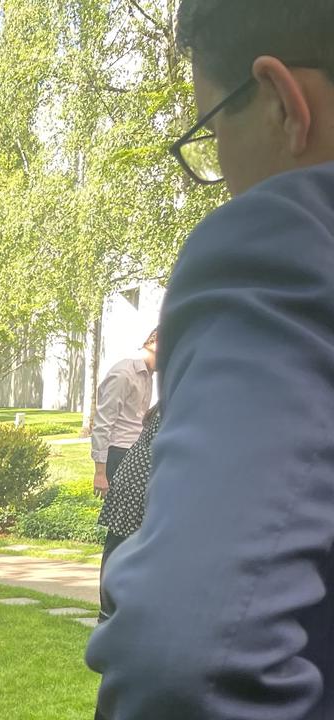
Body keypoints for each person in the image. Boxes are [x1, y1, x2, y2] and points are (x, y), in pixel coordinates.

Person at [85, 2, 334, 718]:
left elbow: (188, 661)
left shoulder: (285, 247)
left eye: (212, 125)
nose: (220, 173)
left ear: (284, 102)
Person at [95, 404, 162, 622]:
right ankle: (112, 613)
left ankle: (112, 613)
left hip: (136, 476)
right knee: (123, 549)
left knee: (120, 547)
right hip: (141, 482)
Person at [89, 329, 157, 501]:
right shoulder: (123, 374)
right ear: (154, 344)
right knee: (121, 521)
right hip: (119, 454)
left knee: (133, 520)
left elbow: (138, 418)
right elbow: (103, 423)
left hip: (136, 454)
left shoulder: (147, 375)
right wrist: (100, 473)